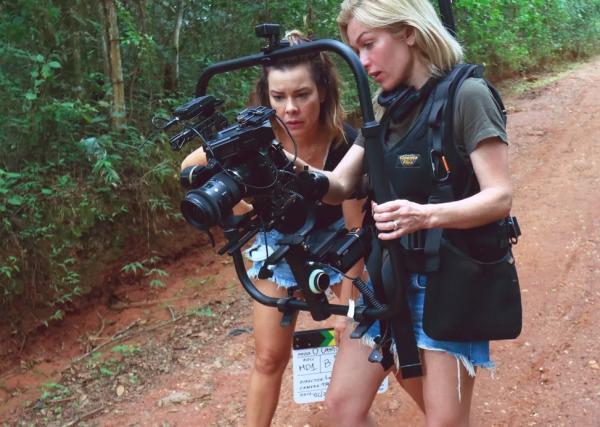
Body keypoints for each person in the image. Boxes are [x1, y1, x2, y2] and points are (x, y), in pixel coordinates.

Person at [289, 1, 513, 425]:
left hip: (451, 279)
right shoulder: (387, 109)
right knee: (343, 407)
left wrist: (425, 216)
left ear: (409, 31)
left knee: (445, 421)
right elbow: (336, 187)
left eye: (370, 44)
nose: (364, 62)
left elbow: (499, 197)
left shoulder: (468, 95)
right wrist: (279, 164)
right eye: (356, 50)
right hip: (388, 276)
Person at [181, 31, 365, 427]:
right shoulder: (253, 140)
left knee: (366, 341)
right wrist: (246, 206)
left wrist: (345, 311)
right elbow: (189, 168)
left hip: (336, 246)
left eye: (302, 95)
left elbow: (356, 233)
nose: (291, 108)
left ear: (323, 92)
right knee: (268, 356)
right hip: (276, 242)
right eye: (278, 98)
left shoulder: (345, 144)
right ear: (265, 98)